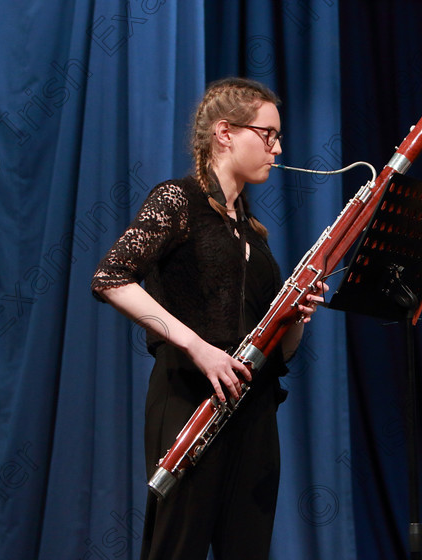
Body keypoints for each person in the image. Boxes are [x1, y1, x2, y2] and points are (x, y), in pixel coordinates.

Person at [91, 77, 325, 560]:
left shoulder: (253, 232)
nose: (277, 148)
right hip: (189, 400)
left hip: (252, 409)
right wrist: (199, 348)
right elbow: (111, 278)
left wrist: (296, 315)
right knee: (177, 549)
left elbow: (281, 351)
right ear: (224, 132)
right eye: (268, 135)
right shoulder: (177, 200)